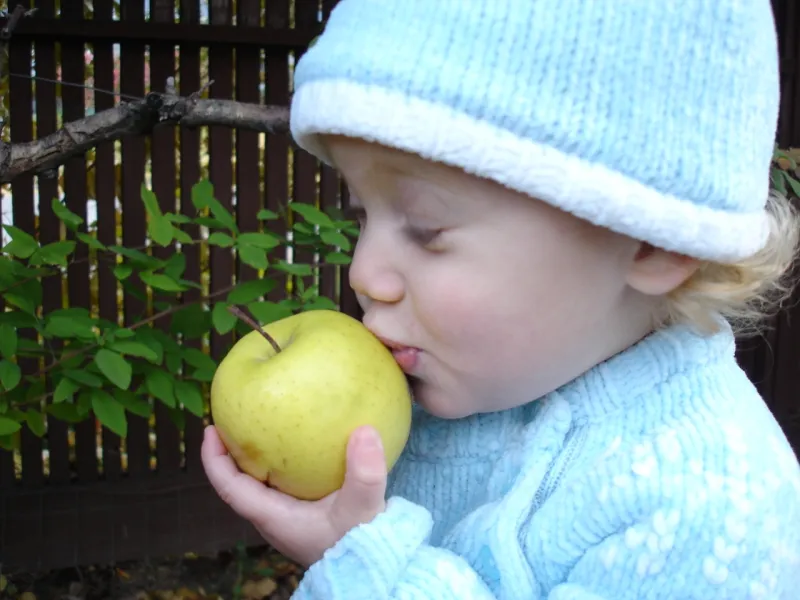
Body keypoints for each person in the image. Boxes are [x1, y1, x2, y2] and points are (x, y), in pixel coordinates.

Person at [201, 1, 800, 597]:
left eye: (425, 227)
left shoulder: (711, 509)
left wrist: (367, 566)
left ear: (652, 242)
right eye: (362, 214)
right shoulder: (457, 386)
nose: (363, 273)